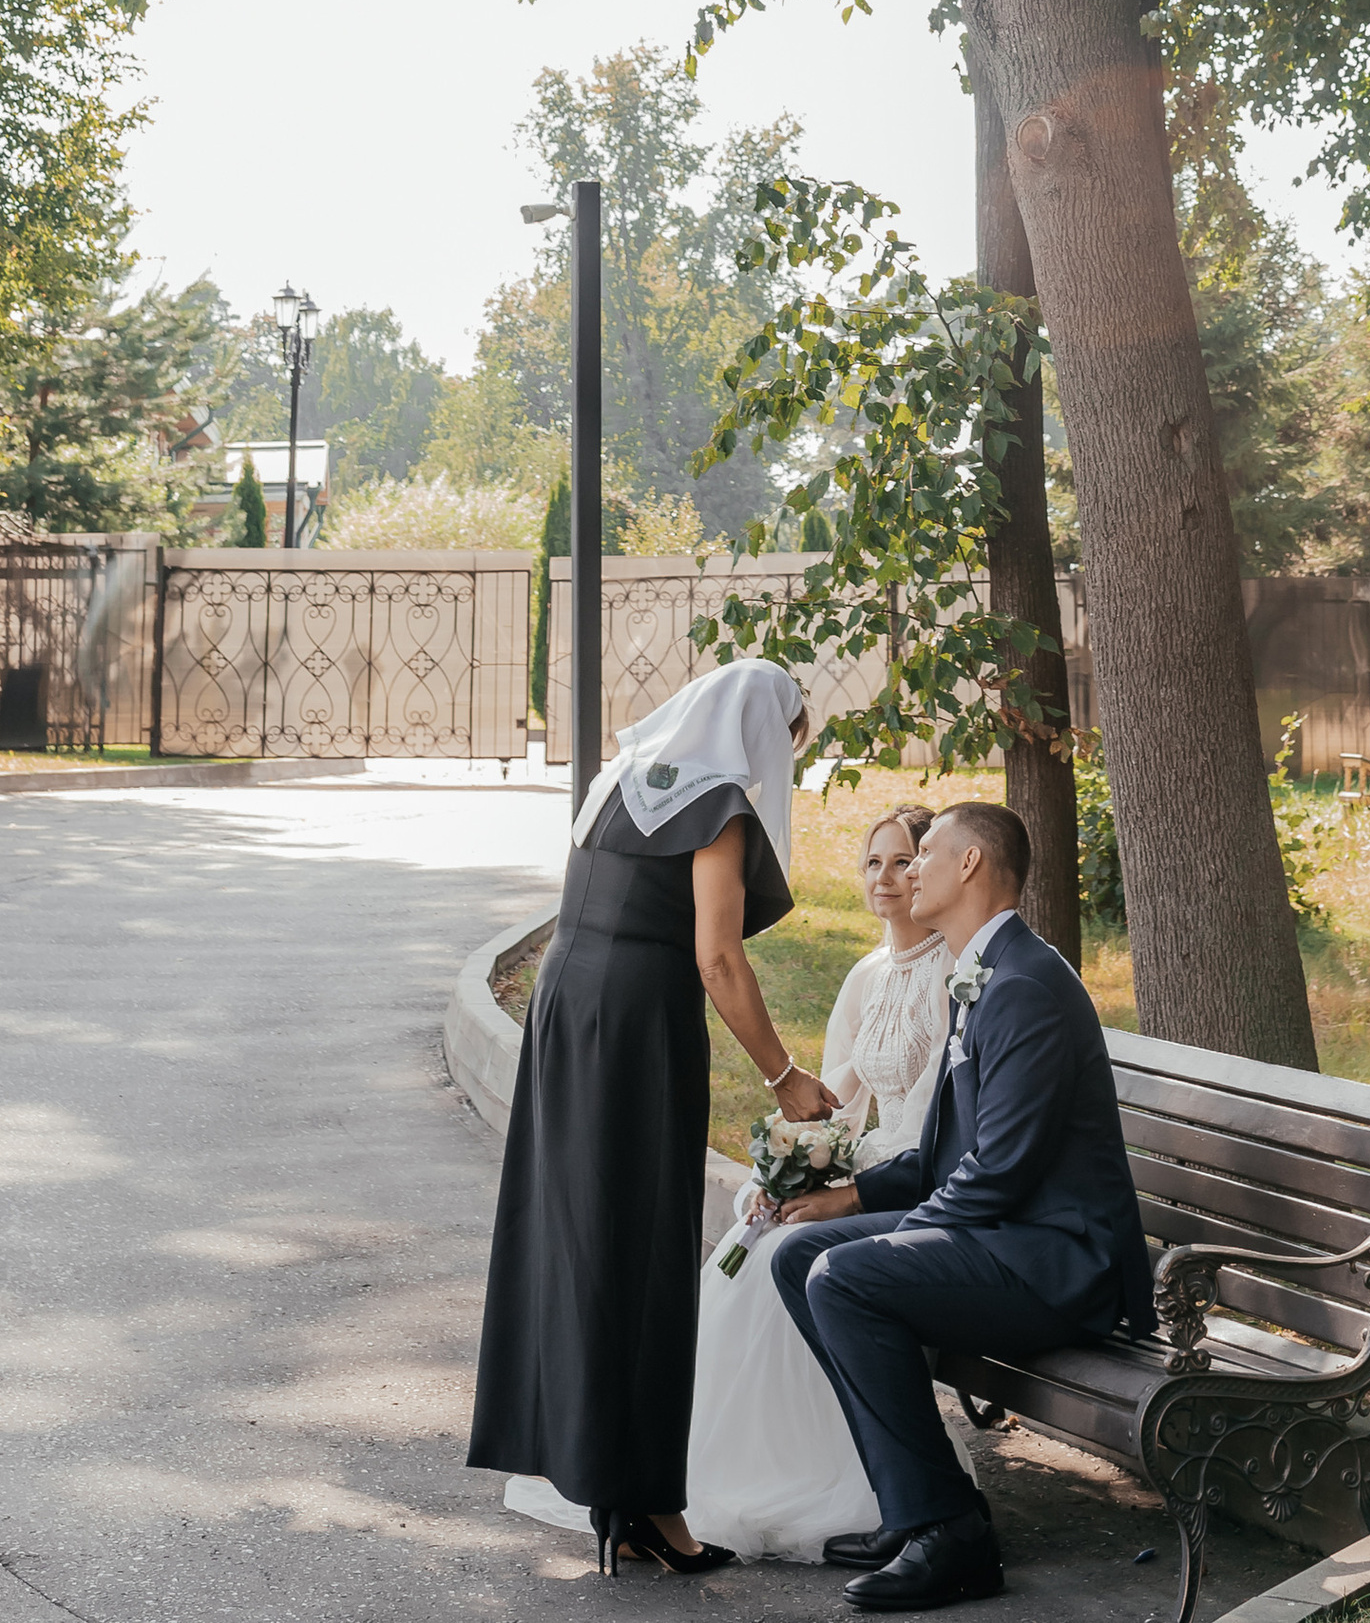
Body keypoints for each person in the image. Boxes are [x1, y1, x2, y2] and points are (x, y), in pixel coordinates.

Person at [470, 658, 839, 1575]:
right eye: (781, 742)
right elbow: (719, 961)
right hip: (638, 1021)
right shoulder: (714, 808)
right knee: (646, 1254)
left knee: (575, 1236)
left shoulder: (615, 781)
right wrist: (786, 1077)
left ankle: (608, 1482)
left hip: (567, 1008)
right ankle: (648, 1507)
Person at [769, 799, 1154, 1613]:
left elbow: (1001, 1170)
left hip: (1059, 1261)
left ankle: (949, 1530)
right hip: (1008, 1237)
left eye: (925, 854)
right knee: (802, 1254)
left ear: (971, 865)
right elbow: (950, 1150)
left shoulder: (1024, 986)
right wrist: (849, 1197)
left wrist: (892, 1240)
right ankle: (911, 1506)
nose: (908, 870)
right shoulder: (979, 973)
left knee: (843, 1277)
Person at [680, 806, 955, 1559]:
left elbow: (932, 1128)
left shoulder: (952, 978)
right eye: (874, 863)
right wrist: (791, 1161)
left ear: (931, 871)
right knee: (755, 1231)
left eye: (903, 862)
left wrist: (840, 1183)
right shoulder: (868, 974)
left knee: (788, 1254)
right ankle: (728, 1464)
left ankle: (835, 1473)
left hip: (914, 1182)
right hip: (868, 1168)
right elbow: (831, 1098)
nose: (887, 877)